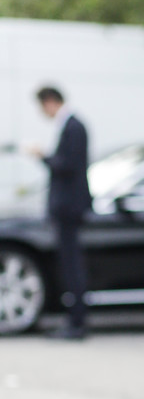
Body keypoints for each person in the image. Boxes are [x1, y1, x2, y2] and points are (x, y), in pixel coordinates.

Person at [30, 87, 92, 339]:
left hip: (69, 207)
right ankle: (73, 321)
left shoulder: (73, 127)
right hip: (67, 207)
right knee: (69, 265)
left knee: (72, 265)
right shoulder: (70, 126)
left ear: (50, 101)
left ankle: (77, 323)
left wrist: (42, 156)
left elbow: (67, 166)